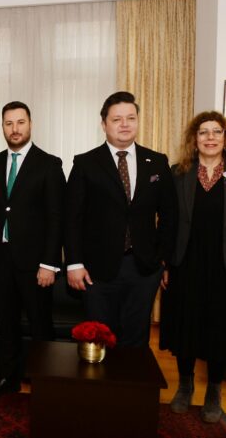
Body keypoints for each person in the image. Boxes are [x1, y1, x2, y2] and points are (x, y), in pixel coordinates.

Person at [159, 111, 226, 423]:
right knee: (186, 326)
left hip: (225, 267)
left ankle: (214, 391)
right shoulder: (178, 173)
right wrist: (165, 263)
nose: (210, 137)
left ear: (225, 138)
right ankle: (185, 385)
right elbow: (167, 222)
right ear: (194, 139)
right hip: (185, 263)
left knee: (219, 329)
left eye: (217, 131)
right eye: (203, 132)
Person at [65, 91, 177, 348]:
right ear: (104, 124)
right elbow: (71, 218)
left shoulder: (157, 162)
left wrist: (162, 259)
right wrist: (74, 263)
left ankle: (133, 378)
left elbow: (170, 215)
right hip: (96, 270)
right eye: (117, 119)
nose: (125, 124)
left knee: (136, 340)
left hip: (144, 268)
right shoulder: (85, 163)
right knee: (99, 338)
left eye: (131, 118)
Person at [0, 101, 66, 398]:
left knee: (41, 326)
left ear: (30, 124)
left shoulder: (50, 164)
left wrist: (49, 263)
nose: (15, 129)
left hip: (36, 264)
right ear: (2, 127)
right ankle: (8, 379)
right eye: (9, 123)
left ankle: (46, 384)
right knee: (6, 324)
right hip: (0, 261)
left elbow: (57, 218)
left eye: (20, 122)